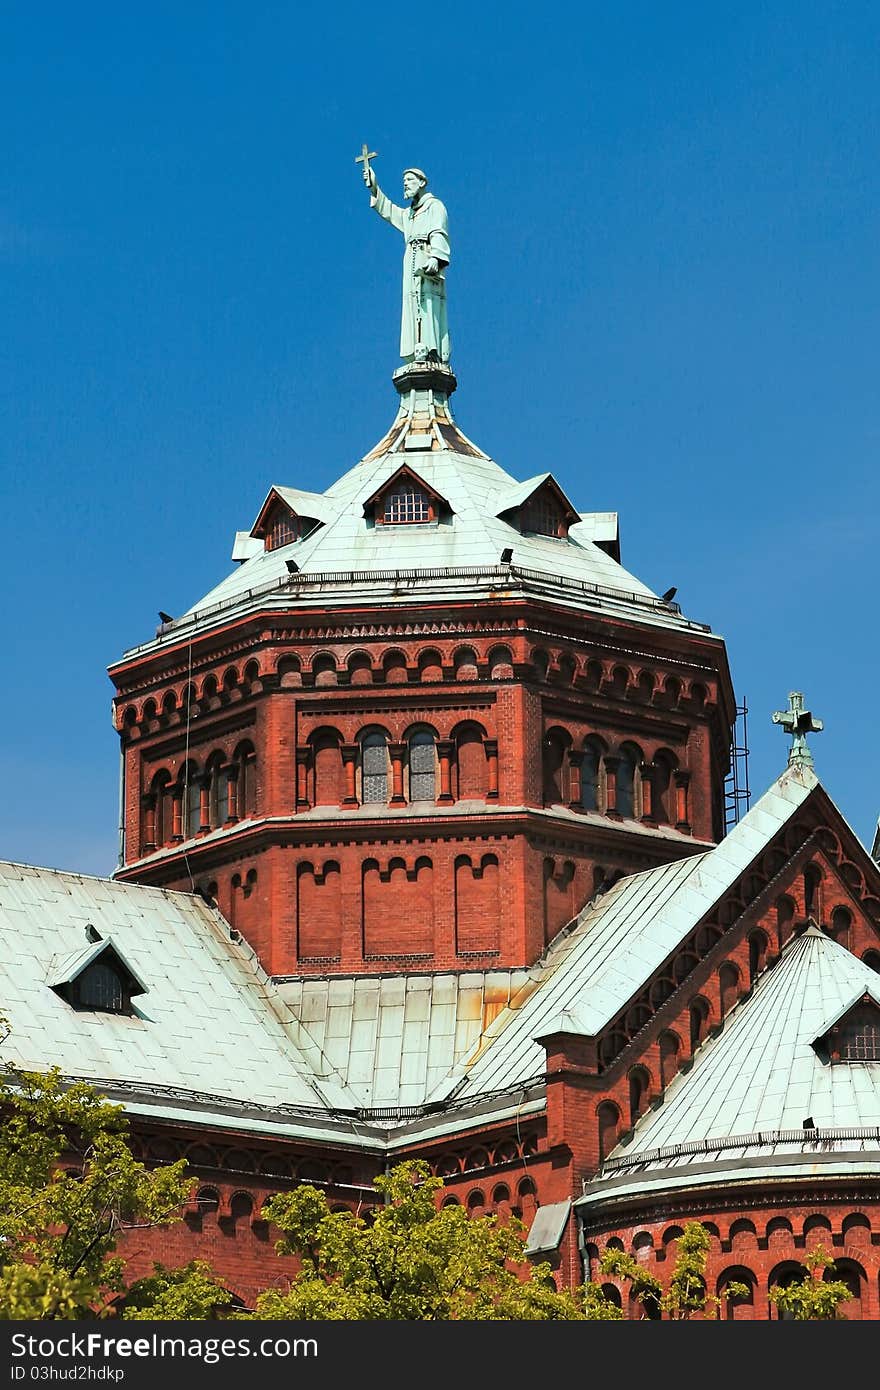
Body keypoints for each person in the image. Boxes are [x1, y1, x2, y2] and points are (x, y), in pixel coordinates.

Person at [363, 164, 451, 364]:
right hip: (410, 261)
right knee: (412, 305)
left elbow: (439, 232)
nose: (405, 185)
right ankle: (416, 347)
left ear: (422, 183)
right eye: (404, 182)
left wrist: (435, 258)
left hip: (426, 257)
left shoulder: (434, 206)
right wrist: (374, 188)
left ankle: (432, 348)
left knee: (428, 303)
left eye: (409, 181)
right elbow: (389, 210)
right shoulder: (409, 213)